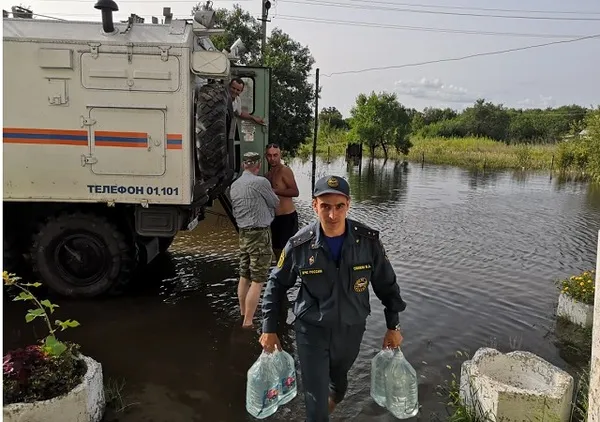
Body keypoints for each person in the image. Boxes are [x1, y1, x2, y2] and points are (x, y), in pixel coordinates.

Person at [259, 175, 407, 421]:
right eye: (325, 206)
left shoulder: (368, 242)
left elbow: (387, 285)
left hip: (351, 329)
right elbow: (276, 284)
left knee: (339, 385)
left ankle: (333, 398)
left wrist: (394, 326)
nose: (332, 215)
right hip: (311, 331)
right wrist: (269, 327)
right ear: (315, 205)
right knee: (315, 405)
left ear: (348, 205)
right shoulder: (299, 245)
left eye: (339, 206)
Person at [229, 152, 280, 328]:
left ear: (244, 165)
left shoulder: (234, 186)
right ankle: (248, 322)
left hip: (243, 234)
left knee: (244, 276)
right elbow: (275, 202)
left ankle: (243, 313)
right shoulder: (261, 182)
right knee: (258, 280)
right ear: (258, 165)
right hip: (259, 234)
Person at [265, 143, 300, 259]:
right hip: (275, 218)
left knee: (288, 251)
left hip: (287, 218)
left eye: (275, 155)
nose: (272, 158)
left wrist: (274, 191)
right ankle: (281, 274)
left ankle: (291, 275)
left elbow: (295, 192)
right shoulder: (268, 175)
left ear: (280, 155)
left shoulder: (285, 171)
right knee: (276, 250)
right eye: (269, 155)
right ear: (265, 156)